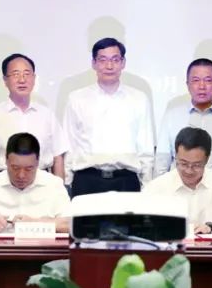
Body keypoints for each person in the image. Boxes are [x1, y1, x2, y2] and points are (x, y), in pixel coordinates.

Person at [63, 37, 155, 196]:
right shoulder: (77, 99)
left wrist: (146, 184)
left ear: (123, 63)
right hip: (86, 180)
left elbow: (145, 146)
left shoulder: (139, 99)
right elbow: (70, 144)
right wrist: (67, 183)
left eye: (115, 59)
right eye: (103, 60)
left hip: (126, 180)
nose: (109, 66)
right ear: (94, 63)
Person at [156, 58, 212, 199]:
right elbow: (161, 163)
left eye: (208, 80)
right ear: (187, 84)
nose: (202, 86)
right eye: (195, 80)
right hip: (180, 195)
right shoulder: (172, 116)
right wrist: (159, 197)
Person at [0, 53, 66, 183]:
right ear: (5, 80)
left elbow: (58, 157)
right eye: (16, 74)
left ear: (34, 78)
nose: (22, 80)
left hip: (42, 183)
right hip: (3, 184)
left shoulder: (47, 115)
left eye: (27, 74)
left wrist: (60, 189)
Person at [144, 127, 212, 236]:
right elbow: (142, 227)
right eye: (183, 163)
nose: (189, 170)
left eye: (196, 165)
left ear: (207, 160)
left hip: (211, 246)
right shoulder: (156, 187)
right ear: (176, 156)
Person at [0, 132, 70, 234]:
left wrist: (36, 223)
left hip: (43, 250)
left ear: (37, 162)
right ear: (6, 160)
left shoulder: (54, 185)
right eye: (15, 168)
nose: (21, 175)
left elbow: (70, 225)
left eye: (28, 169)